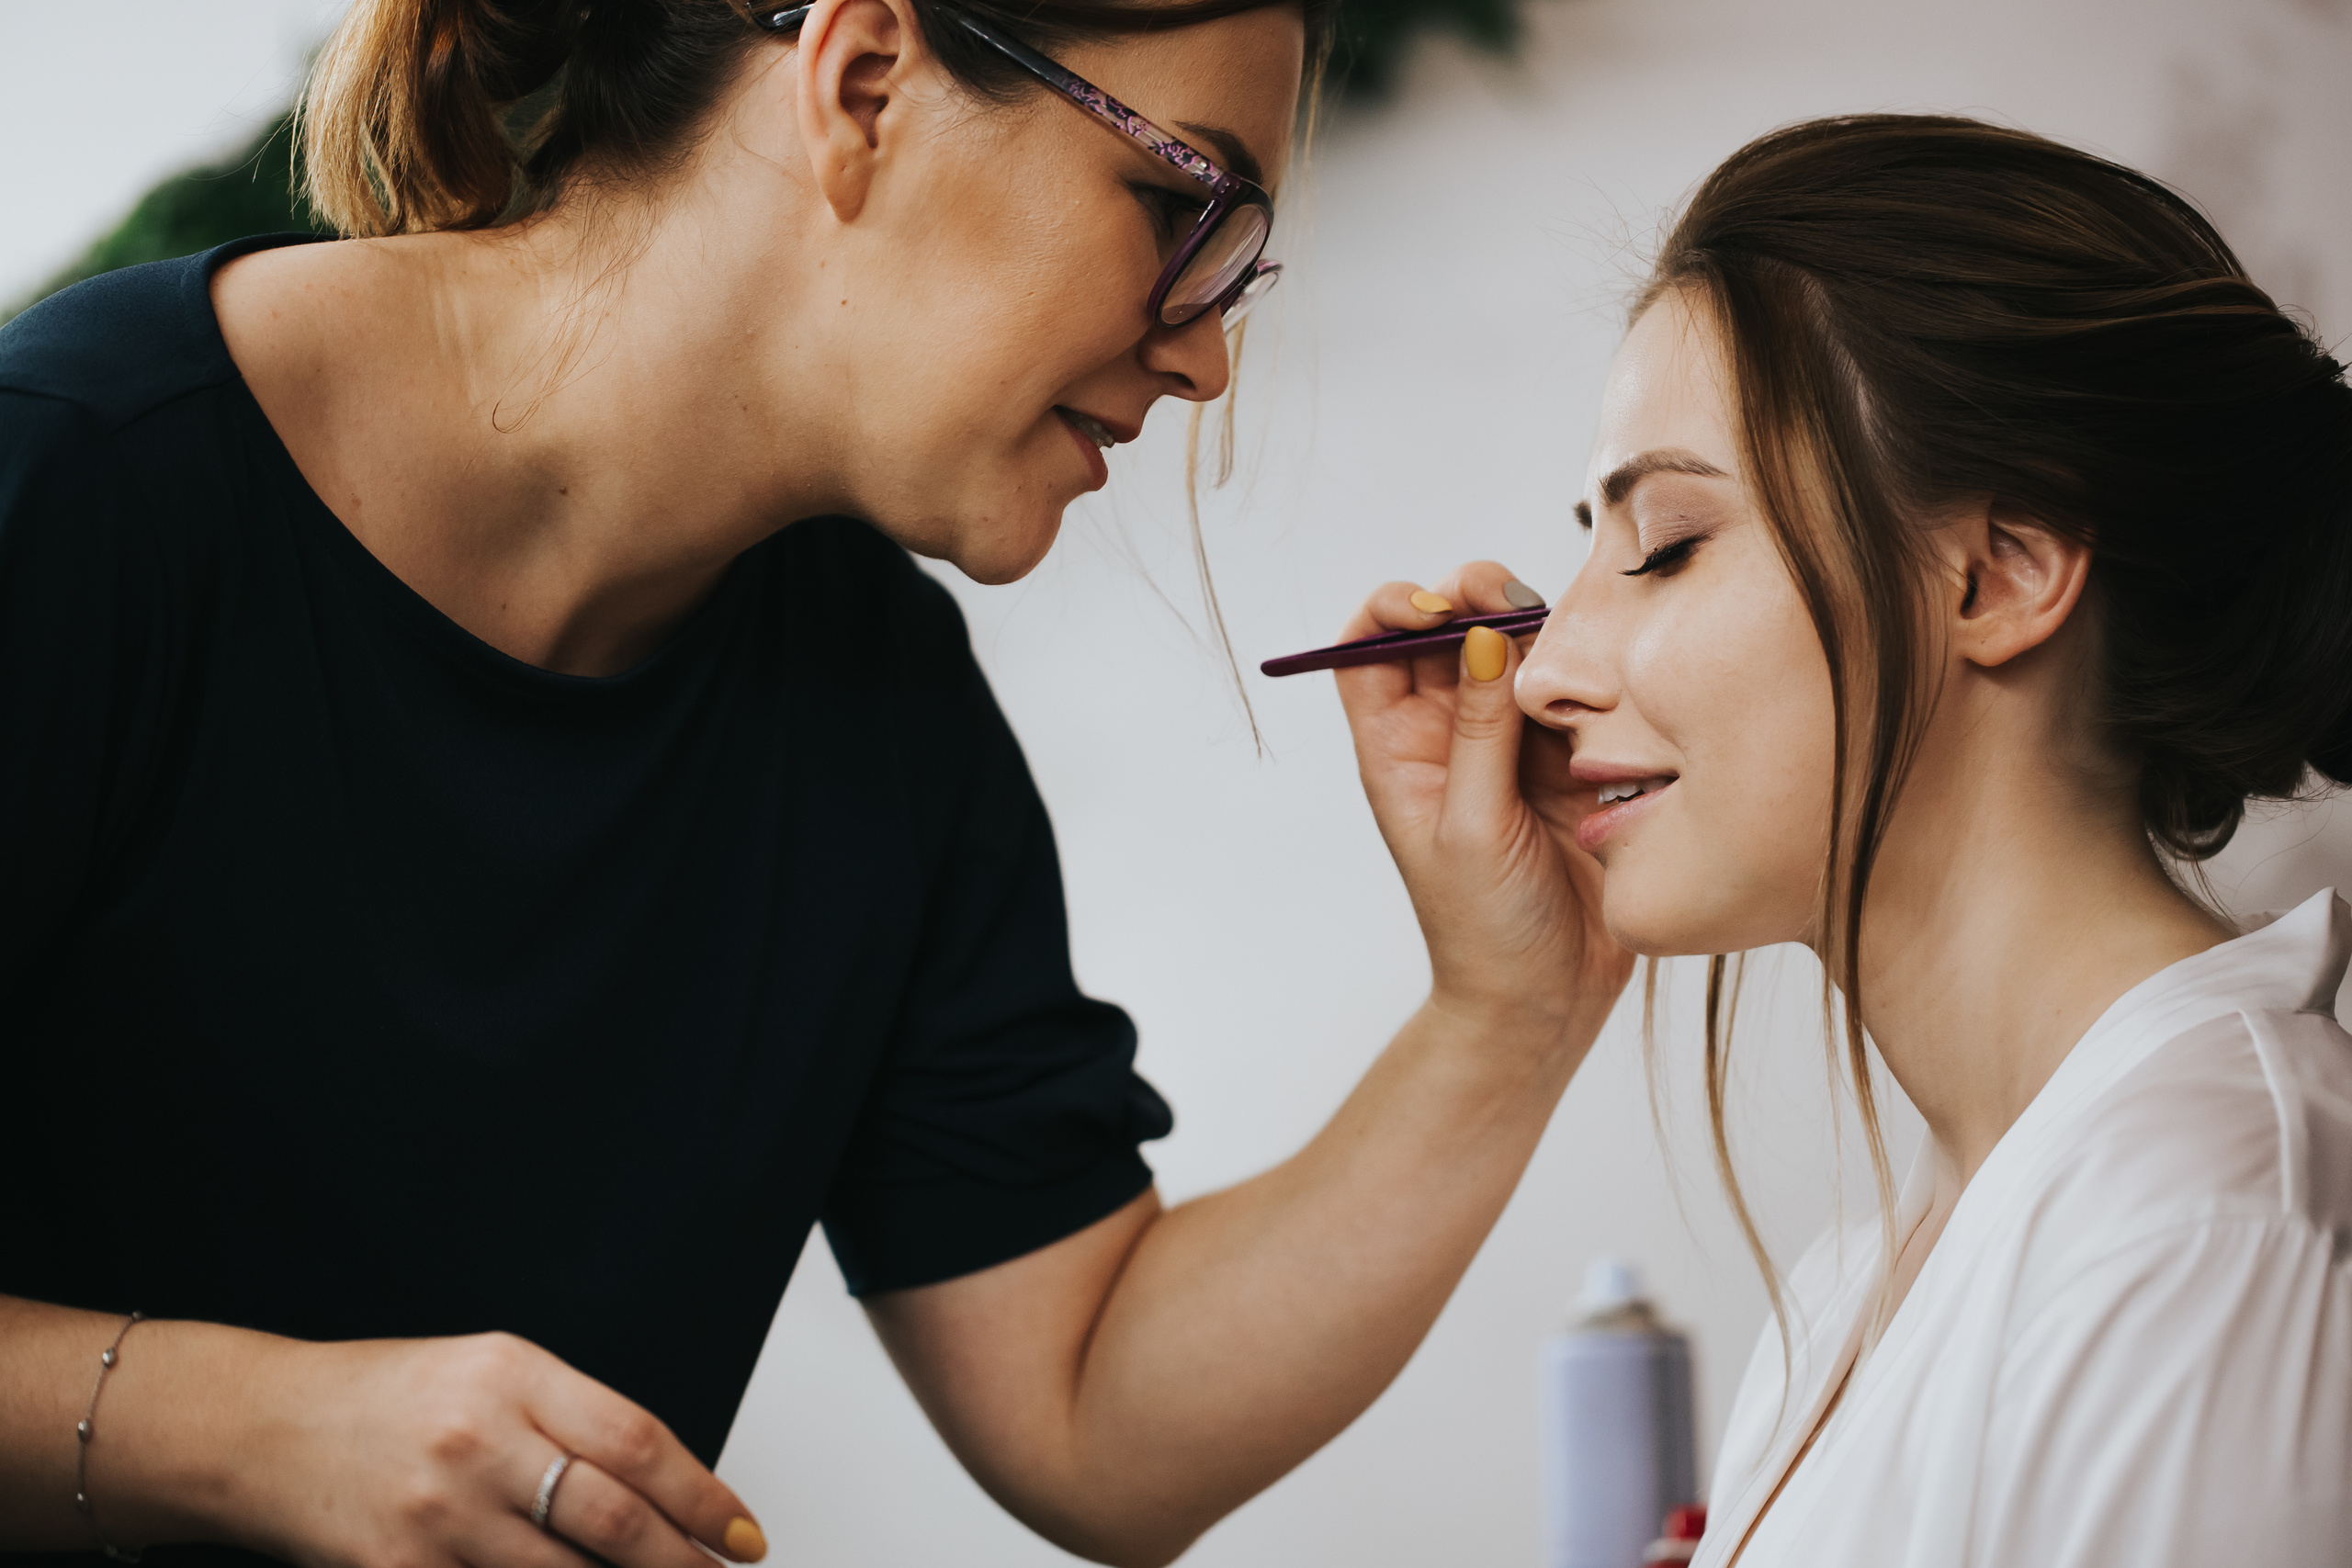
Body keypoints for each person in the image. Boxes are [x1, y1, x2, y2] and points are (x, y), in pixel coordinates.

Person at [0, 1, 1638, 1565]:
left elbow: (1094, 1420)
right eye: (1178, 201)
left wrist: (1512, 1007)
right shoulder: (75, 485)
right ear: (863, 81)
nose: (1208, 360)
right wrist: (257, 1433)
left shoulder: (876, 704)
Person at [1339, 114, 2350, 1564]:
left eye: (1666, 544)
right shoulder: (1866, 1276)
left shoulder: (2204, 1228)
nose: (1550, 669)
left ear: (2001, 575)